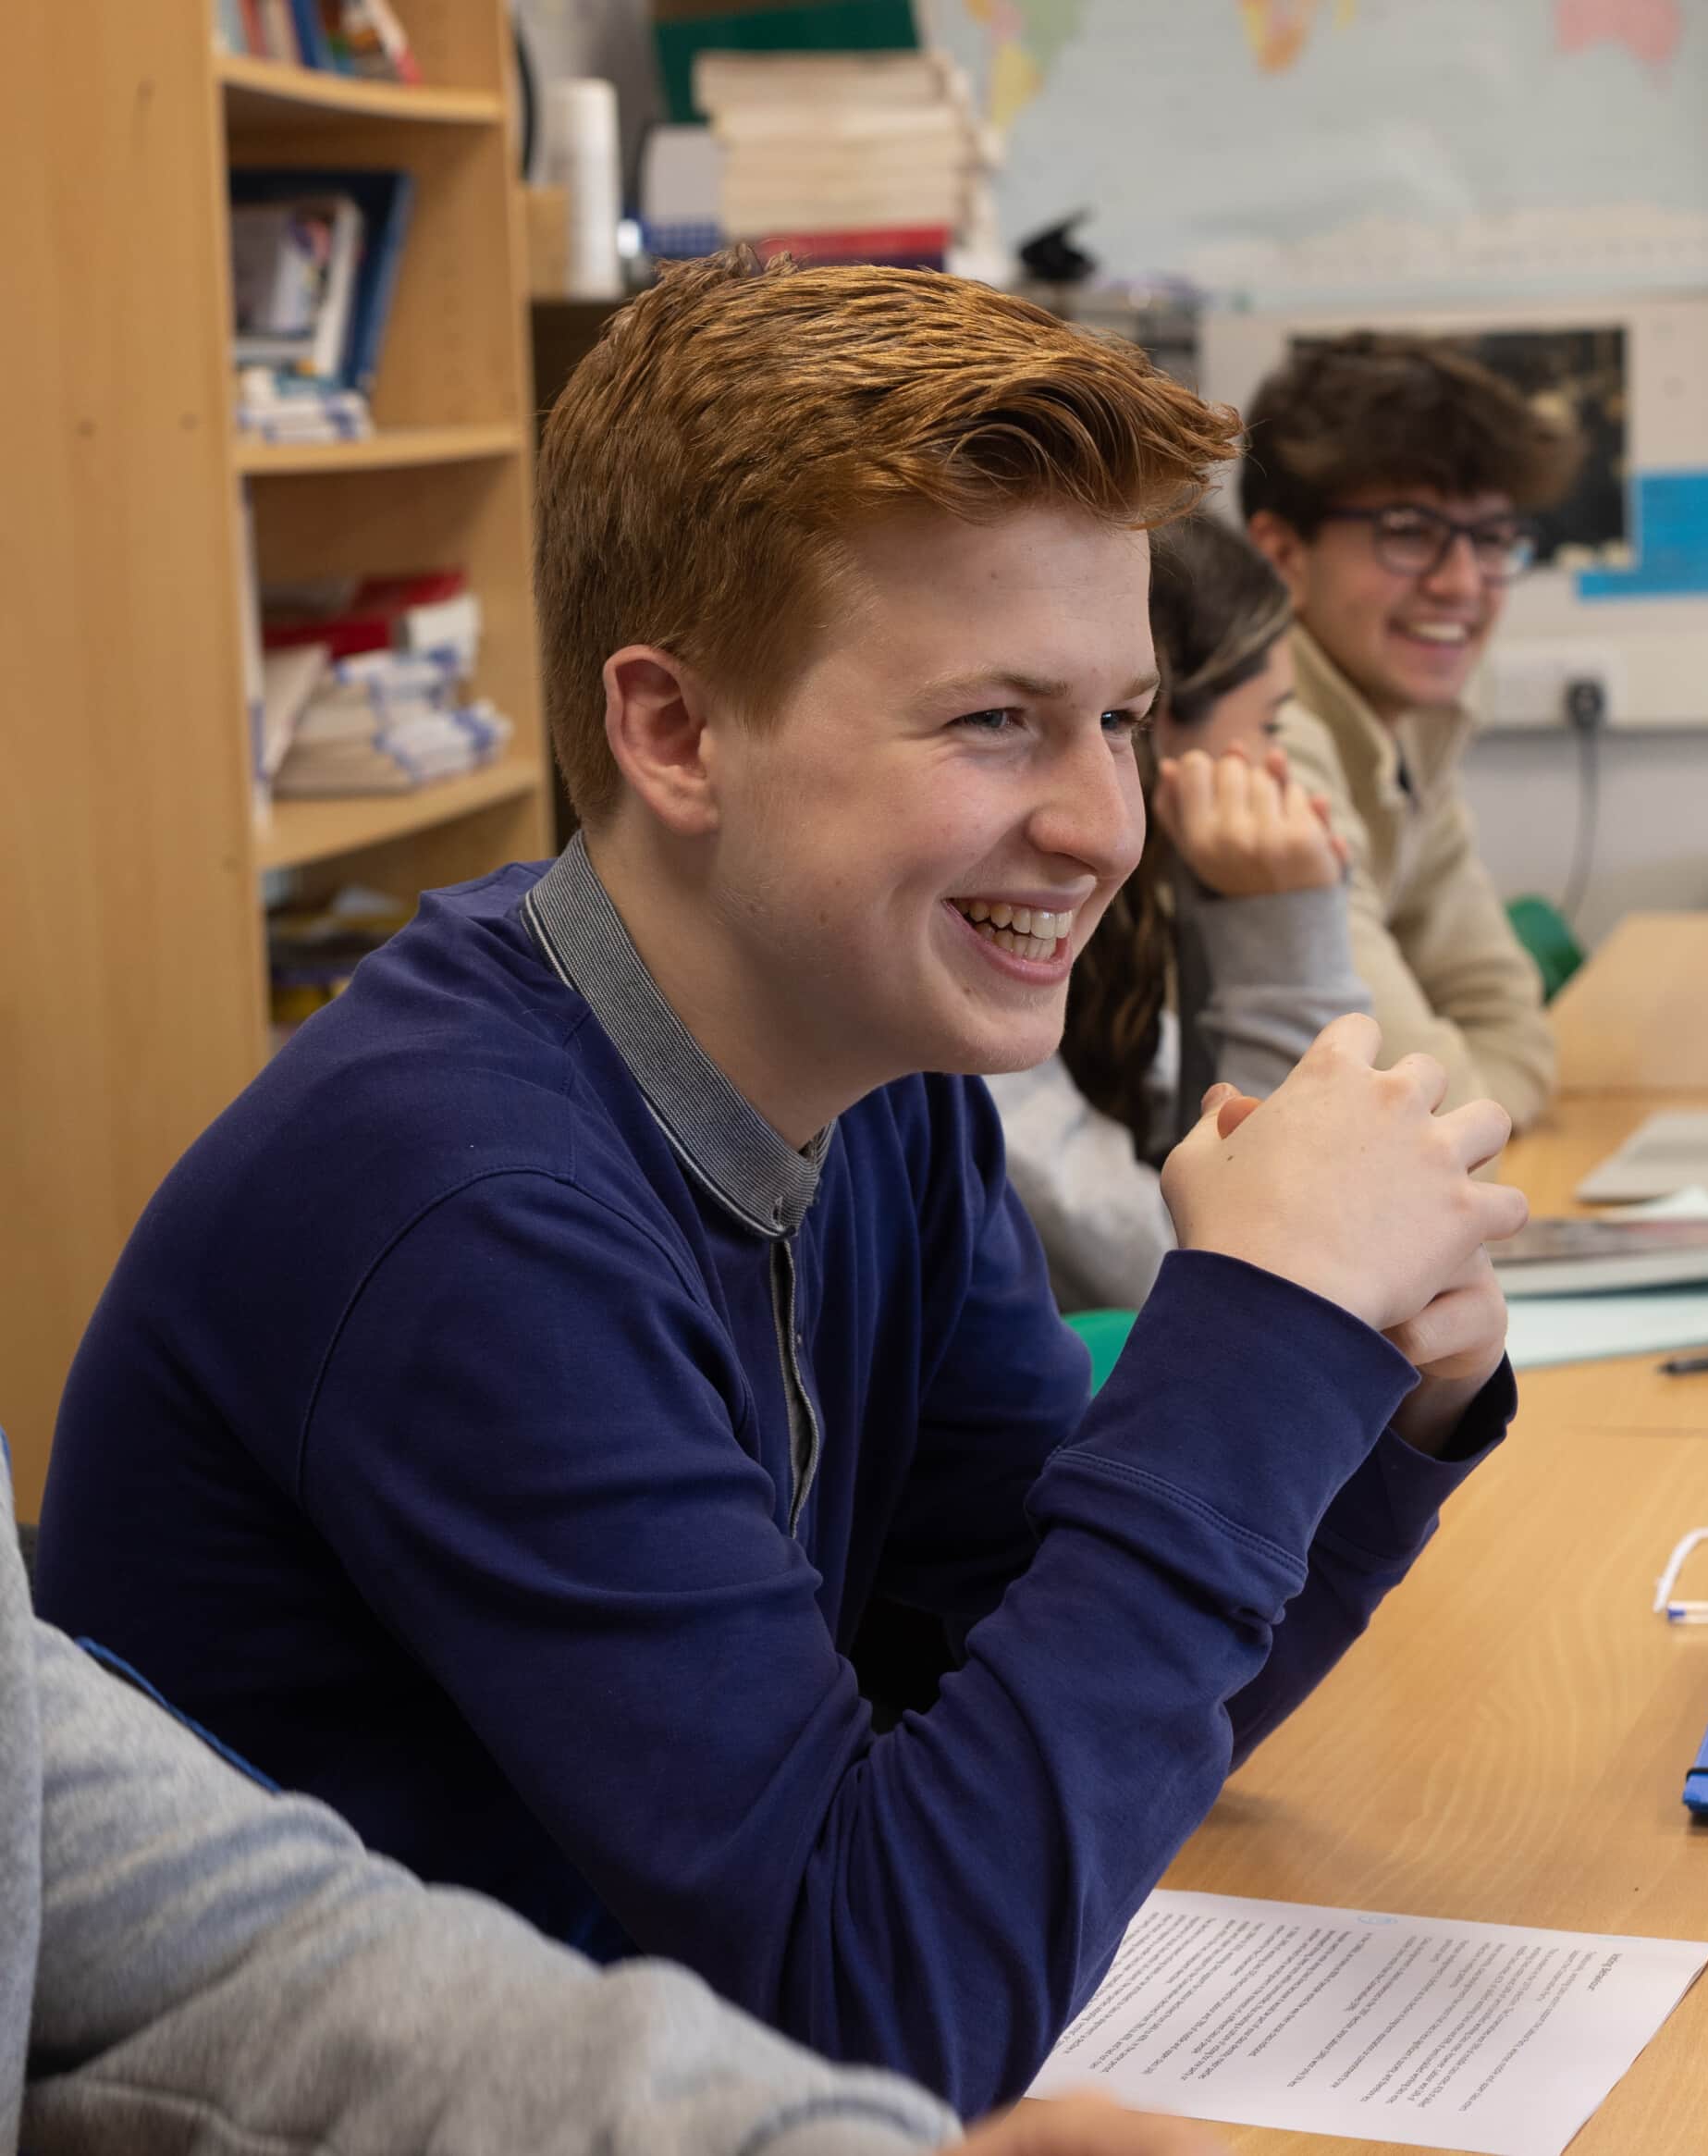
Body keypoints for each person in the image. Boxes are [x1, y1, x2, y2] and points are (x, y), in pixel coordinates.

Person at [36, 252, 1527, 2117]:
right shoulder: (460, 1204)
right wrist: (1257, 1344)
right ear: (672, 733)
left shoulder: (877, 1071)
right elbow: (875, 1992)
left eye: (1122, 718)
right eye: (995, 719)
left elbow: (1048, 1713)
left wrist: (1367, 1413)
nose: (1102, 823)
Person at [0, 1459, 1216, 2156]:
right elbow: (878, 2000)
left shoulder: (903, 1134)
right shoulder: (463, 1199)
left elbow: (231, 1959)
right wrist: (1279, 1323)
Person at [984, 511, 1368, 1310]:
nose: (1278, 768)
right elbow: (1266, 1272)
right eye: (1267, 727)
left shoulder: (1124, 925)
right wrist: (1281, 927)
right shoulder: (971, 931)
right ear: (1167, 734)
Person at [1242, 331, 1579, 1129]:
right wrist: (1480, 1109)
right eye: (1409, 531)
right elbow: (1429, 1118)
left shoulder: (1407, 724)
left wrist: (1477, 1105)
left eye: (1491, 538)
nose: (1462, 583)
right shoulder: (1264, 742)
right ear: (1283, 552)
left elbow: (1511, 1029)